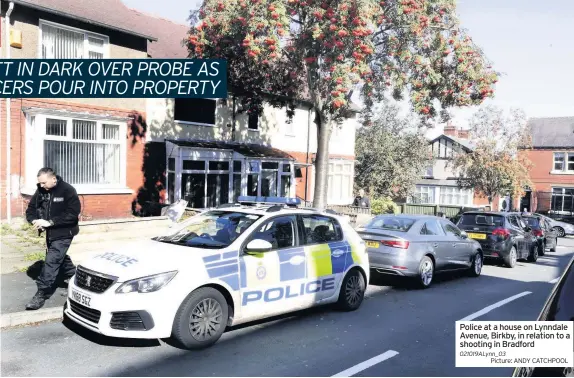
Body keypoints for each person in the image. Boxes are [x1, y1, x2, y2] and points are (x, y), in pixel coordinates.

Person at [25, 168, 81, 310]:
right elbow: (31, 209)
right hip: (50, 232)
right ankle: (74, 276)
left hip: (64, 232)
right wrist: (34, 221)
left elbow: (72, 214)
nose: (41, 185)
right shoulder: (41, 190)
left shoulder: (67, 190)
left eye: (44, 182)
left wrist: (50, 222)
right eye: (40, 183)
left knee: (51, 261)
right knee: (59, 256)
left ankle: (42, 293)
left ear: (53, 179)